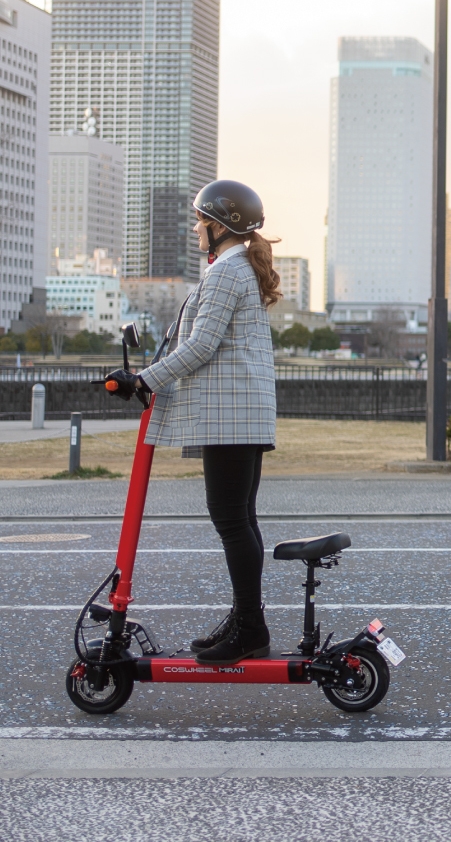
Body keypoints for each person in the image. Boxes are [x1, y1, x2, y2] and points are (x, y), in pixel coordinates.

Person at [107, 180, 280, 664]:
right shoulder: (237, 268)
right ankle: (246, 620)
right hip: (241, 413)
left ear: (220, 224)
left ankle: (249, 628)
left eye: (200, 220)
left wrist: (143, 380)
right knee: (240, 518)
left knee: (231, 519)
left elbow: (201, 345)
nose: (195, 228)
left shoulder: (227, 272)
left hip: (230, 415)